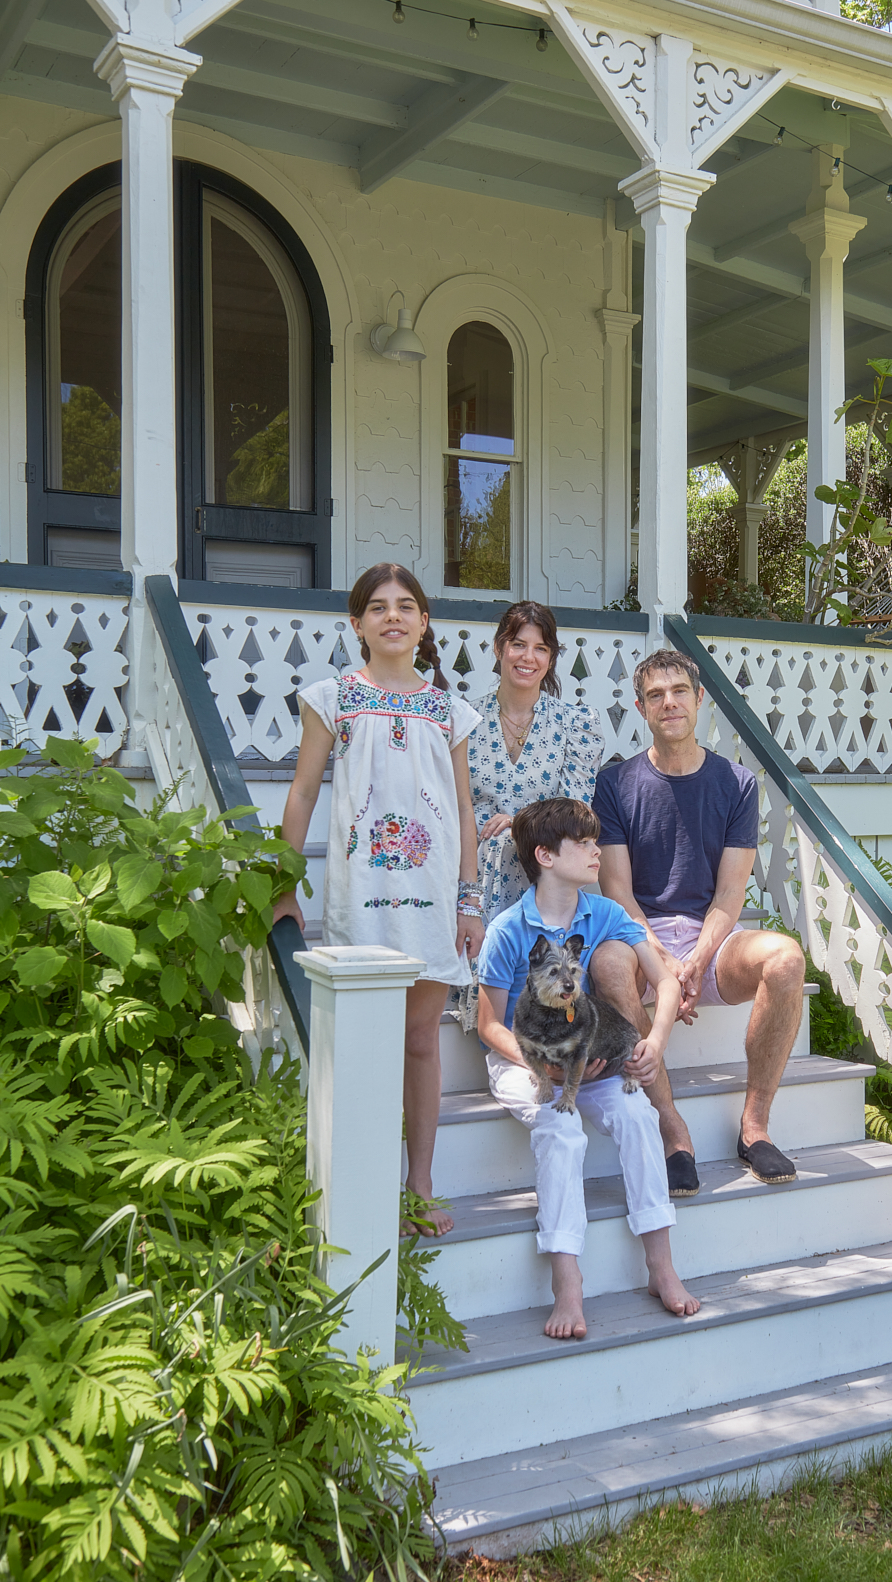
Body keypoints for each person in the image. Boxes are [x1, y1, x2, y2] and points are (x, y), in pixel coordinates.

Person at [274, 563, 484, 1236]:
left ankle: (419, 1185)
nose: (393, 616)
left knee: (422, 1040)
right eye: (378, 607)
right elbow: (304, 792)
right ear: (357, 622)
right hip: (362, 897)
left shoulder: (449, 709)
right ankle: (362, 1185)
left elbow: (462, 809)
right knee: (365, 1043)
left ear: (424, 623)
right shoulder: (333, 696)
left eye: (406, 606)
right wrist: (283, 881)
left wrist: (470, 899)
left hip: (428, 896)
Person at [475, 798, 700, 1340]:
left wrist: (656, 1040)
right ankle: (567, 1283)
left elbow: (666, 981)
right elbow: (489, 1026)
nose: (597, 850)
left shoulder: (604, 914)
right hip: (525, 1062)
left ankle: (661, 1266)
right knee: (561, 1128)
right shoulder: (508, 929)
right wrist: (540, 1067)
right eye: (583, 843)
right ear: (545, 856)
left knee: (638, 1115)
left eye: (594, 840)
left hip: (590, 1060)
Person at [591, 649, 805, 1198]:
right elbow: (616, 890)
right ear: (641, 707)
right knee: (608, 963)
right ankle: (673, 1131)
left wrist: (694, 962)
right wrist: (660, 961)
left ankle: (754, 1127)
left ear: (699, 698)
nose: (670, 703)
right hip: (641, 935)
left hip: (712, 937)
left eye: (679, 691)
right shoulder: (615, 783)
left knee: (784, 958)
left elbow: (731, 894)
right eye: (656, 695)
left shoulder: (735, 783)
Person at [469, 600, 604, 924]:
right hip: (474, 877)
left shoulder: (575, 724)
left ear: (551, 658)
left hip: (549, 876)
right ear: (500, 648)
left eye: (540, 648)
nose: (528, 657)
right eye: (518, 645)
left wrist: (520, 823)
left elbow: (575, 814)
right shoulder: (465, 722)